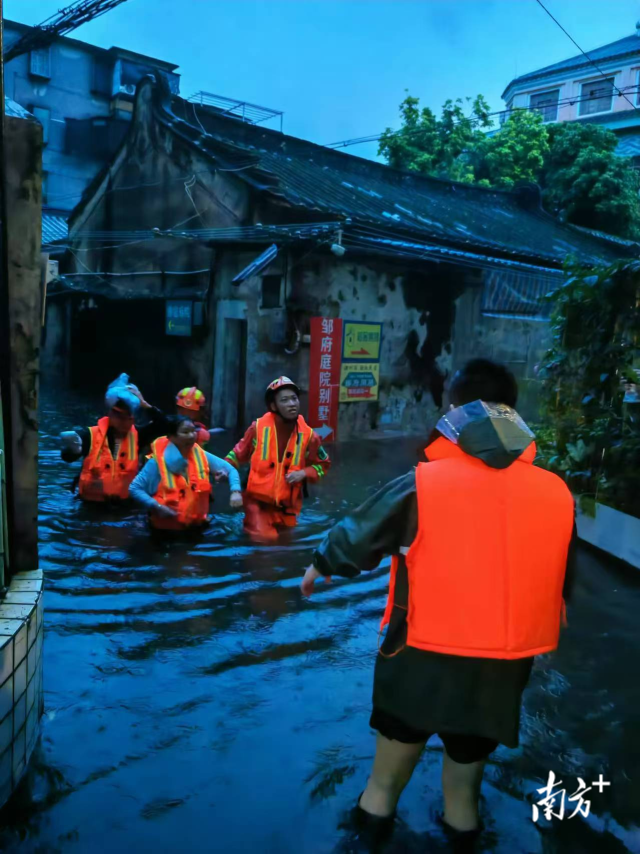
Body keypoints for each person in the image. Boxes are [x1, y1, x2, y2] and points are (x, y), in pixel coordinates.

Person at [301, 359, 576, 848]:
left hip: (418, 657)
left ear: (456, 412)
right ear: (512, 415)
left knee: (382, 788)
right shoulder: (554, 492)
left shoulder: (423, 482)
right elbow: (560, 574)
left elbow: (359, 534)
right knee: (464, 800)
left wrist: (319, 566)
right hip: (501, 670)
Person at [225, 376, 331, 542]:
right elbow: (236, 456)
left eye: (294, 399)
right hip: (257, 504)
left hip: (288, 507)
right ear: (274, 406)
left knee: (285, 544)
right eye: (285, 400)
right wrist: (226, 477)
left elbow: (323, 465)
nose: (292, 404)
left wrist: (304, 473)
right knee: (265, 540)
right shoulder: (257, 428)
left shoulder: (310, 437)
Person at [129, 415, 242, 530]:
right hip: (164, 533)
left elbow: (231, 470)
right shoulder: (156, 462)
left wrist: (235, 491)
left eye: (193, 431)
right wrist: (157, 506)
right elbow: (134, 488)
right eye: (185, 432)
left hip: (196, 528)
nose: (191, 436)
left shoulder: (201, 455)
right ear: (171, 437)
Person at [60, 375, 159, 502]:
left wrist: (145, 405)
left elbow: (167, 426)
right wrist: (74, 449)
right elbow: (67, 458)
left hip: (125, 508)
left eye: (126, 417)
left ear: (133, 418)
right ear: (110, 414)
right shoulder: (91, 434)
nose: (122, 422)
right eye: (118, 416)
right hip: (91, 506)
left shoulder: (139, 436)